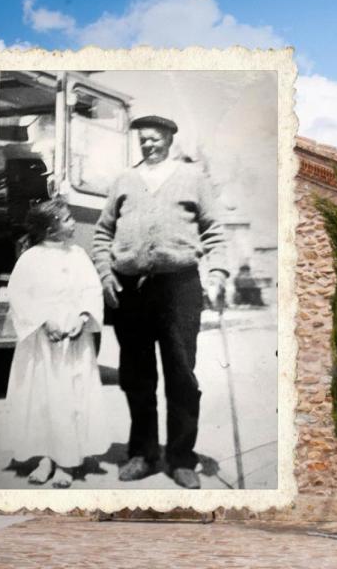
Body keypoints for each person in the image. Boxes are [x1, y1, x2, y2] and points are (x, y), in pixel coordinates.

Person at [92, 114, 228, 489]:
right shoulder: (124, 180)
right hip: (130, 289)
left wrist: (217, 276)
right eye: (143, 140)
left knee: (182, 376)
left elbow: (215, 231)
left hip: (179, 288)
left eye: (155, 139)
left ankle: (182, 458)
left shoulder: (193, 178)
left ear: (170, 138)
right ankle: (143, 454)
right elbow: (102, 233)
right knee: (137, 377)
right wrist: (106, 274)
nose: (148, 145)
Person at [3, 198, 107, 489]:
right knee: (44, 399)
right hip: (42, 341)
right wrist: (42, 321)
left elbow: (91, 290)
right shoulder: (31, 258)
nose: (74, 222)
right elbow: (19, 295)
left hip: (73, 341)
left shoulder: (78, 256)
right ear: (50, 228)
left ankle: (67, 462)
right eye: (68, 218)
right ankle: (47, 458)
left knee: (71, 397)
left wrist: (83, 318)